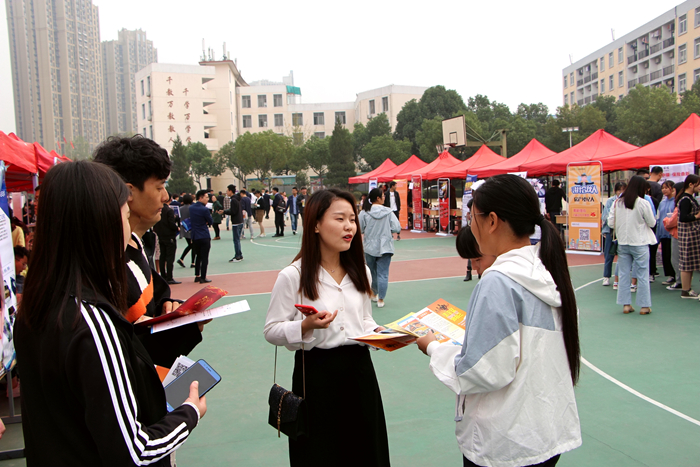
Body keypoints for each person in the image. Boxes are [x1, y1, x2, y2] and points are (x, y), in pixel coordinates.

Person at [15, 161, 206, 466]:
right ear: (101, 225)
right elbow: (134, 451)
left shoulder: (35, 307)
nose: (129, 230)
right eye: (125, 216)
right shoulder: (91, 322)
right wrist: (189, 413)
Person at [416, 174, 582, 467]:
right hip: (544, 431)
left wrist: (433, 347)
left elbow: (482, 370)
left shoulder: (498, 282)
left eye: (472, 218)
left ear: (492, 221)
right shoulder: (543, 271)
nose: (471, 226)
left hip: (506, 442)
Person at [264, 188, 390, 467]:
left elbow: (365, 319)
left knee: (365, 448)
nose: (349, 227)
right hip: (316, 375)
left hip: (360, 371)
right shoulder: (293, 276)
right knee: (321, 452)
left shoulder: (361, 271)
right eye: (340, 219)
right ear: (316, 224)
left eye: (353, 220)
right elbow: (271, 329)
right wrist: (305, 327)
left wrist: (381, 335)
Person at [94, 135, 204, 366]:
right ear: (128, 193)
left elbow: (156, 301)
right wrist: (187, 329)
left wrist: (172, 308)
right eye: (160, 187)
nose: (165, 197)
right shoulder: (103, 267)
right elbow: (129, 352)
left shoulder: (137, 243)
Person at [608, 175, 656, 314]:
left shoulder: (617, 202)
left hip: (623, 242)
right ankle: (644, 306)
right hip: (640, 242)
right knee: (642, 274)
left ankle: (626, 305)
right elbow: (652, 222)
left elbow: (611, 223)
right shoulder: (643, 203)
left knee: (623, 273)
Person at [360, 188, 401, 308]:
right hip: (385, 246)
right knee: (383, 274)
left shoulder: (364, 212)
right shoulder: (388, 212)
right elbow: (397, 228)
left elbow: (360, 227)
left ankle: (373, 293)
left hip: (369, 247)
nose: (384, 197)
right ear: (378, 198)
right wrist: (388, 230)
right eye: (383, 196)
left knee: (371, 272)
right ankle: (381, 299)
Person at [675, 174, 700, 298]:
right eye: (698, 184)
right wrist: (696, 216)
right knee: (686, 263)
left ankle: (687, 289)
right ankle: (685, 290)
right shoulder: (686, 199)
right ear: (691, 184)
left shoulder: (687, 198)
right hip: (689, 234)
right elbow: (683, 217)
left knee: (689, 263)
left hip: (691, 234)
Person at [601, 182, 626, 286]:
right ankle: (606, 277)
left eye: (623, 190)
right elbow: (605, 216)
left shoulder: (627, 201)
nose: (621, 192)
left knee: (623, 255)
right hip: (611, 231)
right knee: (608, 255)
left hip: (623, 231)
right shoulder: (611, 201)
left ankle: (620, 278)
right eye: (619, 190)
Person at [153, 200, 180, 284]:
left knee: (162, 256)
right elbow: (171, 223)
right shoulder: (169, 210)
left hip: (161, 235)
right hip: (169, 236)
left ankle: (163, 276)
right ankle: (169, 277)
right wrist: (176, 228)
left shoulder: (157, 210)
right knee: (170, 257)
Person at [190, 190, 214, 283]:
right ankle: (203, 277)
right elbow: (210, 221)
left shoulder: (191, 208)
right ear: (200, 198)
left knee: (198, 256)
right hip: (203, 235)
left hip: (195, 235)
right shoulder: (204, 209)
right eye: (206, 197)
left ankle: (197, 275)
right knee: (205, 257)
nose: (208, 199)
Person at [657, 180, 677, 286]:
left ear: (672, 189)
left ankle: (675, 275)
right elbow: (659, 218)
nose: (664, 190)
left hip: (672, 233)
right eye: (663, 188)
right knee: (666, 254)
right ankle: (670, 275)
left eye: (666, 187)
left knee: (673, 255)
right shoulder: (662, 202)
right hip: (663, 233)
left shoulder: (675, 202)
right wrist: (658, 234)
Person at [224, 185, 243, 262]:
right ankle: (239, 254)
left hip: (236, 222)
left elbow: (233, 211)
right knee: (237, 239)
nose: (226, 192)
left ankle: (238, 256)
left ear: (230, 191)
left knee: (236, 240)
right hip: (239, 221)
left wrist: (225, 211)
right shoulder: (237, 199)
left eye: (227, 191)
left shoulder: (233, 200)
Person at [177, 194, 196, 268]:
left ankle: (182, 259)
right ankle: (192, 262)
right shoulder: (192, 208)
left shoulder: (180, 209)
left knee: (191, 245)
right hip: (191, 229)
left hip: (184, 229)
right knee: (193, 245)